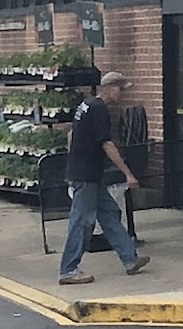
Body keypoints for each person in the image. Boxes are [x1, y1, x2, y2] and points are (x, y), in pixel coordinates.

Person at [59, 70, 150, 285]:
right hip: (87, 175)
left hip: (86, 172)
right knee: (81, 221)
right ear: (109, 88)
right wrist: (127, 173)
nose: (122, 95)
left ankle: (130, 259)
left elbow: (72, 134)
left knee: (109, 212)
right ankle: (68, 269)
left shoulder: (86, 106)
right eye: (120, 89)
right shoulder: (100, 110)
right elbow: (107, 144)